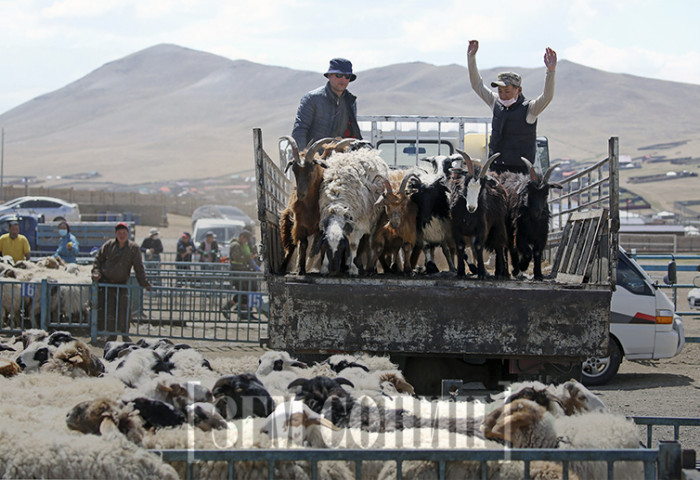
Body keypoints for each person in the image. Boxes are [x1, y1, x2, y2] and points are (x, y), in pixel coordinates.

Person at [467, 40, 557, 174]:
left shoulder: (530, 109)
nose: (502, 95)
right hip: (496, 167)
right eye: (500, 91)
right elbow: (477, 85)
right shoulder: (495, 102)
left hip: (520, 171)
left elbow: (547, 97)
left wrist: (550, 72)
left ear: (518, 90)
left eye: (507, 91)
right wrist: (471, 57)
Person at [91, 222, 151, 342]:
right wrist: (96, 272)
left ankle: (125, 334)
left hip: (122, 283)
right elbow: (98, 259)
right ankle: (111, 334)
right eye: (119, 233)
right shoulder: (109, 245)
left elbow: (138, 267)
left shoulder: (133, 248)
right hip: (107, 283)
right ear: (115, 234)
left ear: (128, 234)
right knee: (109, 309)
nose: (122, 235)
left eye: (124, 233)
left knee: (123, 309)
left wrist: (144, 283)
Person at [291, 57, 363, 149]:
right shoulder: (312, 99)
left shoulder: (350, 101)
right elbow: (300, 130)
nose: (343, 79)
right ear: (329, 76)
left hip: (338, 158)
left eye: (347, 76)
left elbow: (352, 133)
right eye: (338, 75)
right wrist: (303, 158)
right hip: (314, 158)